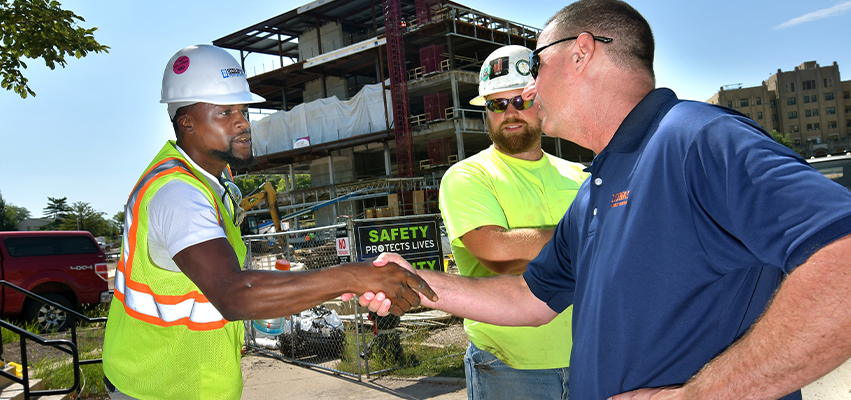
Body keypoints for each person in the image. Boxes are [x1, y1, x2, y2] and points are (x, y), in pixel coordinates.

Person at [363, 1, 851, 399]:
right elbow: (530, 297)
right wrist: (412, 280)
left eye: (535, 65)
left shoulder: (696, 138)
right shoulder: (599, 182)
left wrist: (700, 395)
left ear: (581, 52)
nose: (529, 88)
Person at [101, 44, 436, 400]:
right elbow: (233, 294)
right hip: (158, 388)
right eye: (225, 112)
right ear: (187, 122)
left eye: (243, 110)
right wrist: (355, 275)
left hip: (182, 380)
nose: (242, 122)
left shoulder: (211, 180)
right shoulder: (179, 194)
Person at [440, 45, 587, 399]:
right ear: (485, 114)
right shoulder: (468, 176)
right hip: (509, 367)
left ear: (543, 101)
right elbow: (497, 252)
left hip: (590, 356)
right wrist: (594, 235)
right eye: (496, 104)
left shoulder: (581, 174)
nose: (510, 112)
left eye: (521, 99)